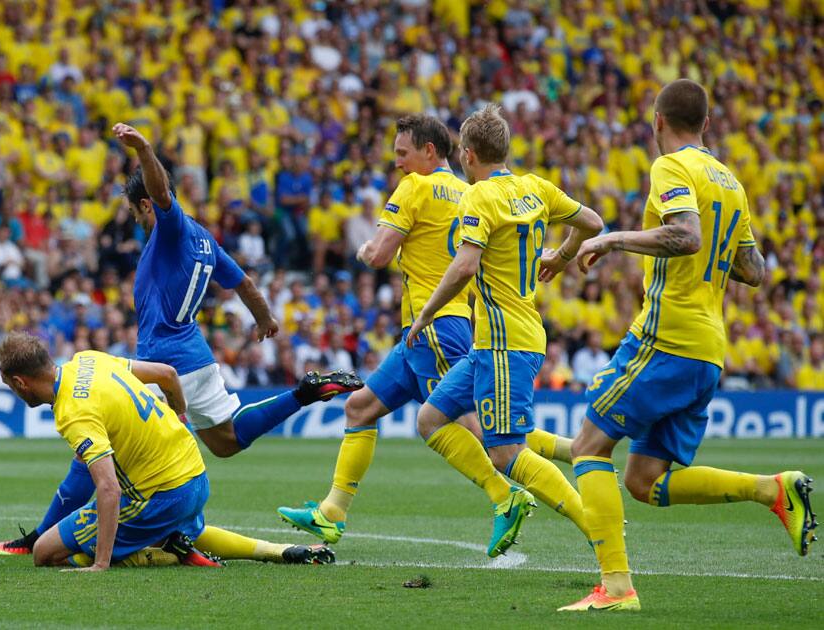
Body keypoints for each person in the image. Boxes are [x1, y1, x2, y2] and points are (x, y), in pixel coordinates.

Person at [0, 123, 362, 555]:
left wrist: (145, 150)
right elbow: (245, 285)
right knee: (227, 440)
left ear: (144, 205)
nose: (137, 221)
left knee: (94, 450)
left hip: (163, 361)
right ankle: (303, 392)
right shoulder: (205, 240)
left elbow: (163, 195)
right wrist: (265, 321)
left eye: (135, 212)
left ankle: (46, 537)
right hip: (196, 356)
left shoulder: (171, 228)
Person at [559, 80, 817, 612]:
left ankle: (615, 588)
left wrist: (611, 239)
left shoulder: (671, 166)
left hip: (666, 337)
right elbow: (755, 270)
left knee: (588, 448)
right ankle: (772, 491)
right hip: (708, 349)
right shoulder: (731, 182)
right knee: (644, 480)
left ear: (658, 121)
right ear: (707, 122)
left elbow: (688, 236)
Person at [278, 114, 576, 547]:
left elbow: (378, 254)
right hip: (442, 325)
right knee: (360, 407)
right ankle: (331, 512)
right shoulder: (468, 190)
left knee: (477, 426)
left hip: (433, 325)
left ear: (430, 151)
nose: (397, 163)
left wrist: (362, 249)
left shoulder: (415, 187)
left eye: (403, 153)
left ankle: (522, 483)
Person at [400, 104, 604, 555]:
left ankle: (598, 527)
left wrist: (426, 312)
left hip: (506, 343)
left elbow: (464, 266)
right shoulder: (536, 188)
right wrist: (562, 256)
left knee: (507, 452)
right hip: (494, 342)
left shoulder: (478, 197)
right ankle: (508, 498)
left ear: (468, 156)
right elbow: (591, 223)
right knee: (431, 419)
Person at [0, 332, 334, 570]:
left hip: (160, 494)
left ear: (20, 382)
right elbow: (168, 376)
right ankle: (281, 551)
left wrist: (101, 563)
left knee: (45, 553)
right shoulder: (87, 360)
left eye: (11, 386)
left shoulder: (73, 412)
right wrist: (178, 416)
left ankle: (167, 553)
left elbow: (108, 488)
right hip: (194, 473)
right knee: (187, 529)